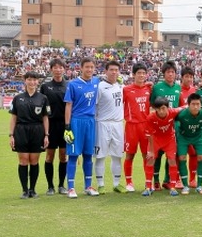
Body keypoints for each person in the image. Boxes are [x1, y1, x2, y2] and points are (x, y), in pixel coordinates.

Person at [63, 57, 101, 198]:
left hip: (91, 122)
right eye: (87, 67)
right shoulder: (73, 84)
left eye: (92, 67)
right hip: (76, 122)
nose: (89, 69)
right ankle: (71, 187)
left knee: (88, 155)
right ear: (81, 68)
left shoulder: (97, 82)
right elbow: (68, 105)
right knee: (73, 155)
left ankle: (88, 186)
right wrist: (67, 126)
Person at [9, 71, 50, 199]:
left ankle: (33, 189)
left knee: (34, 161)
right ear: (25, 81)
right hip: (21, 130)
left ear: (37, 82)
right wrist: (11, 135)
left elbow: (45, 118)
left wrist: (46, 135)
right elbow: (13, 117)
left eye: (34, 80)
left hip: (37, 130)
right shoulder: (18, 98)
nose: (32, 82)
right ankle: (24, 190)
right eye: (29, 79)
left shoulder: (43, 98)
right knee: (23, 161)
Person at [94, 60, 127, 194]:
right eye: (111, 70)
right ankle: (101, 184)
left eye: (116, 70)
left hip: (118, 124)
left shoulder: (121, 86)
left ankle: (116, 183)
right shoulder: (100, 86)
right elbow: (94, 106)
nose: (114, 72)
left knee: (117, 156)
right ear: (106, 71)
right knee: (100, 156)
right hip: (102, 124)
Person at [149, 60, 183, 190]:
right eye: (168, 72)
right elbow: (151, 105)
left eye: (173, 72)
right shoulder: (157, 87)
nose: (170, 74)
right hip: (158, 126)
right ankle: (155, 181)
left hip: (173, 127)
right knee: (157, 155)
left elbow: (179, 106)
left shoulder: (177, 88)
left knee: (171, 155)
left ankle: (167, 180)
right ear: (164, 74)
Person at [141, 97, 183, 197]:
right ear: (155, 109)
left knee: (172, 160)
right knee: (150, 159)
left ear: (167, 108)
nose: (161, 111)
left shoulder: (172, 112)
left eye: (163, 108)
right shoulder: (150, 118)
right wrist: (150, 151)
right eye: (158, 109)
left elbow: (184, 107)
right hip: (155, 140)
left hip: (169, 140)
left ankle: (173, 187)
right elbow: (149, 135)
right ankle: (148, 187)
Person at [40, 58, 68, 195]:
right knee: (49, 156)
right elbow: (41, 106)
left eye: (60, 67)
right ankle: (50, 186)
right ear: (51, 70)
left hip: (65, 125)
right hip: (50, 125)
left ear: (64, 69)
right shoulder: (45, 87)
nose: (58, 70)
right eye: (55, 67)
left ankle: (61, 185)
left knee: (63, 156)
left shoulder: (69, 85)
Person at [122, 63, 152, 192]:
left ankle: (148, 183)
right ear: (133, 75)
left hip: (145, 126)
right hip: (131, 126)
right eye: (138, 73)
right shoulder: (126, 90)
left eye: (143, 73)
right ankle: (129, 182)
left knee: (147, 155)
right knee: (130, 155)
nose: (141, 75)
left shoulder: (149, 89)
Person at [175, 93, 202, 195]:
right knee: (181, 158)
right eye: (193, 104)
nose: (195, 106)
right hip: (183, 137)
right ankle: (185, 186)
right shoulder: (182, 114)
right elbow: (171, 116)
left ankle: (199, 185)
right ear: (188, 104)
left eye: (198, 104)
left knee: (201, 158)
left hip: (199, 137)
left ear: (201, 105)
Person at [179, 66, 199, 188]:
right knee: (180, 155)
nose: (189, 79)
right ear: (182, 77)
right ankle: (177, 179)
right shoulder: (177, 90)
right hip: (180, 127)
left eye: (191, 77)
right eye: (186, 76)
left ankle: (192, 179)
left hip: (193, 127)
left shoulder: (194, 91)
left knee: (194, 154)